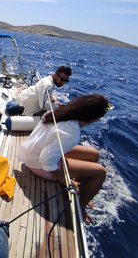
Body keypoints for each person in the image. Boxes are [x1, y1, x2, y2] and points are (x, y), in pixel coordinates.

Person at [17, 93, 110, 223]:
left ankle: (82, 191)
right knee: (100, 172)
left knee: (94, 154)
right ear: (95, 118)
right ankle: (81, 207)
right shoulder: (71, 133)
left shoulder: (60, 111)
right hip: (38, 164)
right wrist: (65, 180)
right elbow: (46, 159)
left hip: (32, 152)